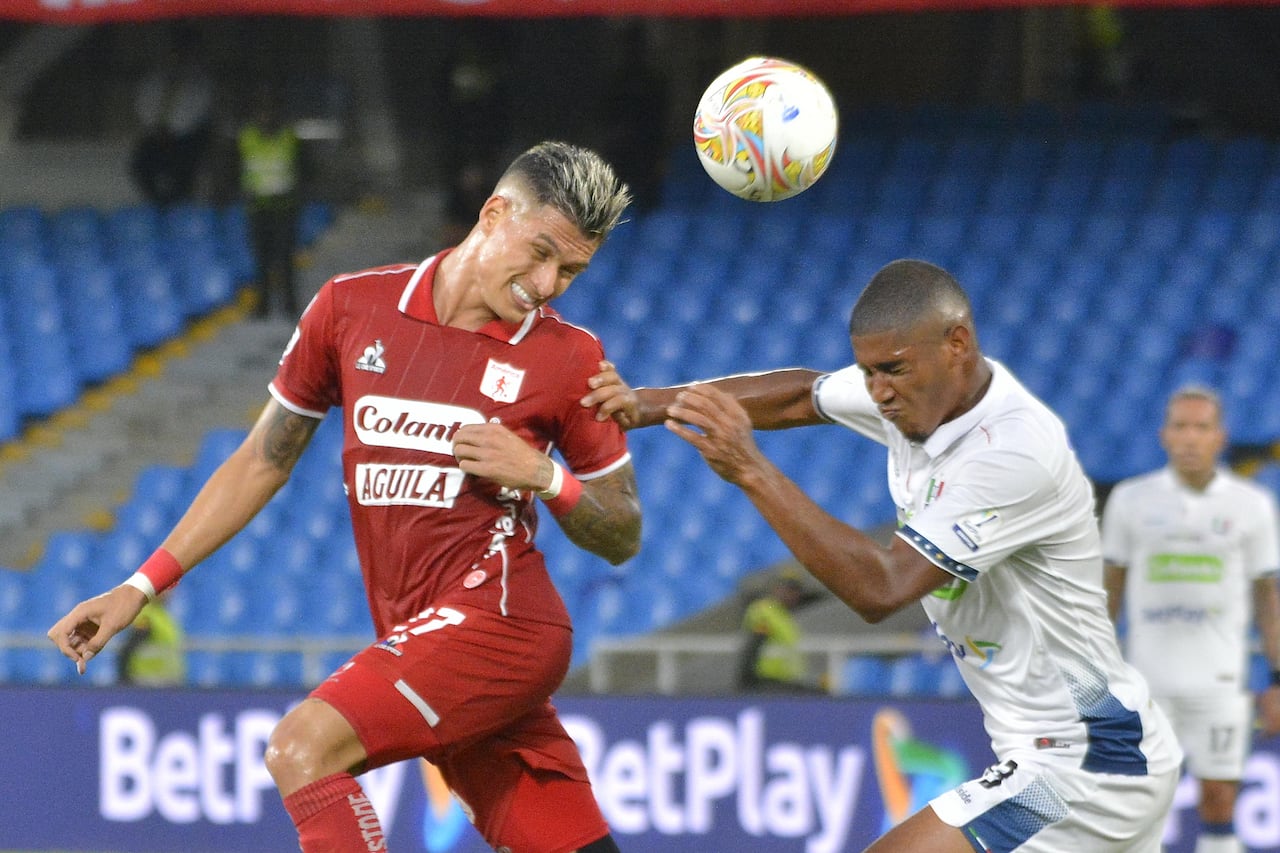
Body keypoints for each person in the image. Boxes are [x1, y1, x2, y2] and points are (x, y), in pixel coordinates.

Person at [49, 141, 641, 853]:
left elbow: (622, 531)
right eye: (541, 252)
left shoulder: (568, 356)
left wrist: (548, 478)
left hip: (503, 621)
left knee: (302, 748)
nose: (548, 282)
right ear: (494, 213)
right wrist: (141, 586)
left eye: (571, 270)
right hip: (417, 629)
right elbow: (262, 461)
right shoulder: (351, 308)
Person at [583, 258, 1183, 852]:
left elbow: (883, 588)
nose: (878, 393)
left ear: (958, 344)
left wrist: (750, 469)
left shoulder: (1010, 454)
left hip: (1084, 764)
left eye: (891, 371)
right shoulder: (922, 393)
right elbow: (801, 395)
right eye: (869, 373)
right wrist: (652, 403)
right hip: (1082, 749)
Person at [1101, 385, 1280, 853]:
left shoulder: (1252, 505)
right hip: (1147, 684)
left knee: (1220, 802)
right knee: (1139, 806)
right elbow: (1109, 590)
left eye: (1201, 427)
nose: (1189, 438)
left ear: (1219, 437)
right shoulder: (1130, 500)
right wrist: (1094, 668)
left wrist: (1279, 678)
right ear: (1164, 435)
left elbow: (1268, 596)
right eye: (1180, 426)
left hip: (1220, 680)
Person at [237, 86, 303, 318]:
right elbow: (236, 169)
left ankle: (289, 305)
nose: (266, 116)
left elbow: (304, 169)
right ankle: (262, 305)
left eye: (271, 111)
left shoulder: (289, 137)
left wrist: (297, 194)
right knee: (261, 259)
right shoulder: (246, 138)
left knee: (285, 258)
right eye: (262, 112)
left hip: (284, 208)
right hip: (258, 208)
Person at [130, 29, 214, 206]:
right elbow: (142, 103)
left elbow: (198, 112)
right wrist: (157, 128)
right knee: (140, 163)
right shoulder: (155, 79)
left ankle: (180, 206)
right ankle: (156, 204)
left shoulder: (199, 82)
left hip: (183, 137)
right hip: (155, 134)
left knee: (186, 167)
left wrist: (173, 130)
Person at [737, 571, 824, 693]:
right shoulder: (764, 610)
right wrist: (745, 681)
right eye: (787, 589)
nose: (792, 594)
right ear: (775, 589)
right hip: (764, 680)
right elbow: (753, 645)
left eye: (795, 591)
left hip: (785, 680)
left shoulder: (783, 615)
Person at [115, 597, 185, 686]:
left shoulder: (163, 614)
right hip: (146, 683)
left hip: (167, 682)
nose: (169, 593)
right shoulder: (146, 616)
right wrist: (124, 679)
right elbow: (128, 648)